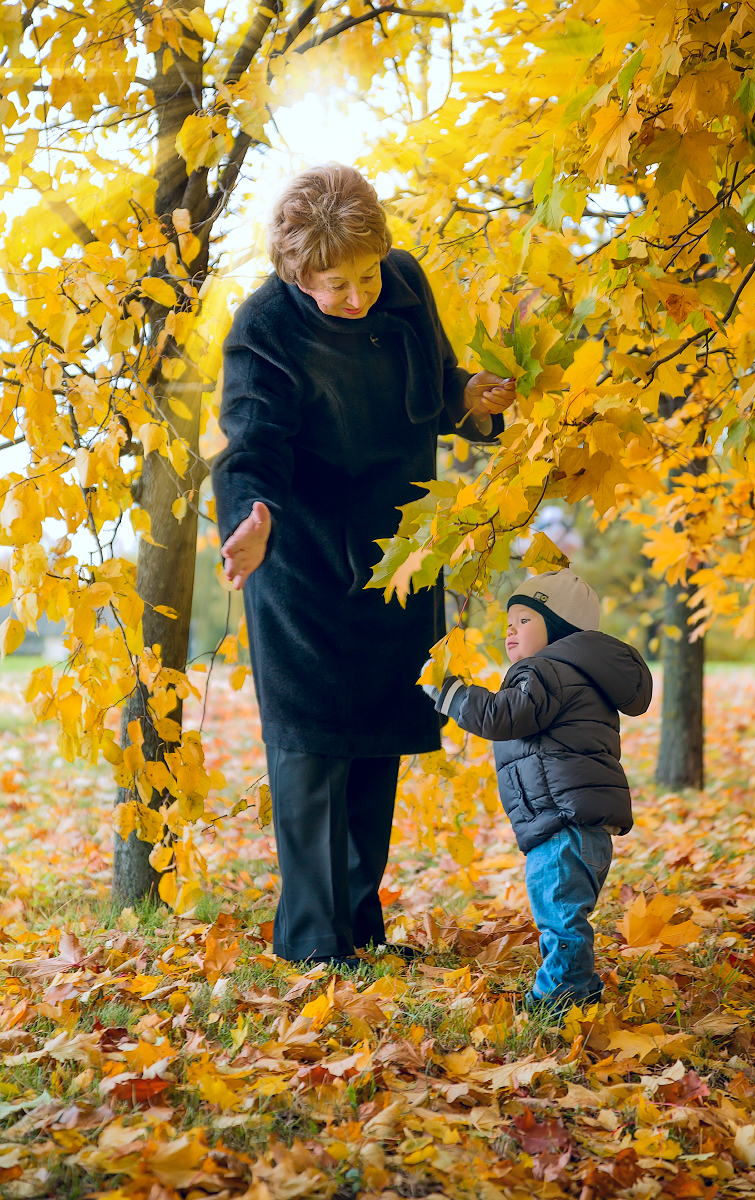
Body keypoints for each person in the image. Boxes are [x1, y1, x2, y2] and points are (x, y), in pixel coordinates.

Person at [211, 163, 517, 966]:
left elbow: (435, 386)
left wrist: (471, 400)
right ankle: (311, 943)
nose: (359, 295)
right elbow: (253, 441)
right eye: (336, 284)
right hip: (298, 554)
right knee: (312, 750)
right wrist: (251, 516)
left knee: (378, 736)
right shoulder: (263, 329)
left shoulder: (405, 284)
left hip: (402, 548)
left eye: (368, 273)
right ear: (296, 275)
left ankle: (360, 929)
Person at [424, 569, 652, 1012]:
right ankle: (580, 988)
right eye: (509, 622)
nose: (511, 630)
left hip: (562, 823)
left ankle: (558, 996)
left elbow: (501, 716)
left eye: (525, 620)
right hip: (576, 823)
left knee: (560, 917)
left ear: (562, 629)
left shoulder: (547, 671)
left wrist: (449, 693)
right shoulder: (574, 674)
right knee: (565, 913)